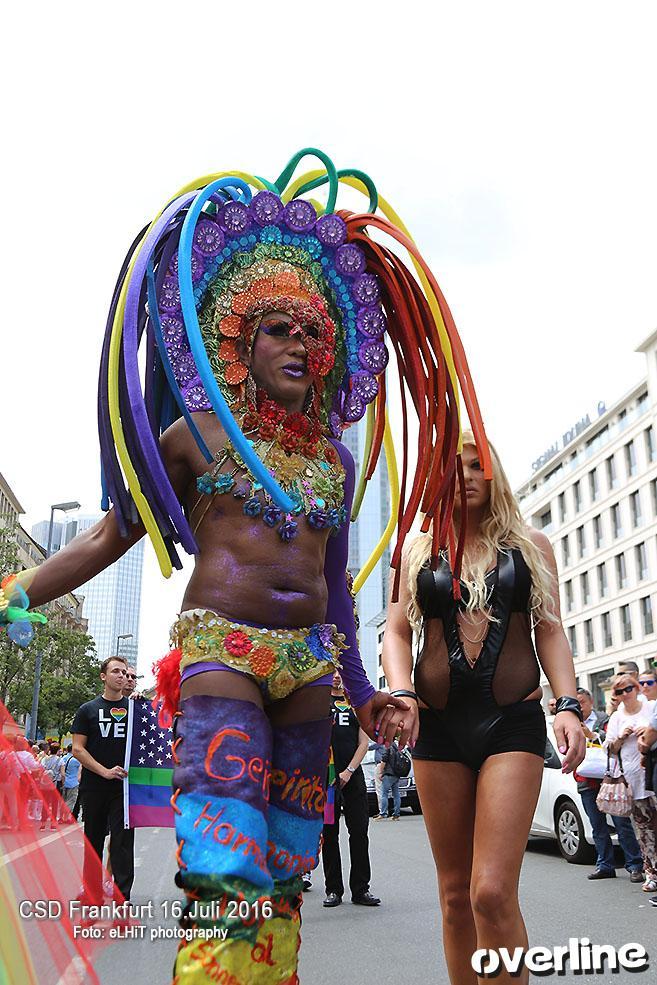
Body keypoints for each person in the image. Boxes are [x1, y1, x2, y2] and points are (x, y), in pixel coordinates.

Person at [0, 150, 489, 983]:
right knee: (225, 860)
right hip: (221, 652)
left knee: (288, 860)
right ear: (240, 340)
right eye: (278, 328)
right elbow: (109, 536)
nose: (299, 344)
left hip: (308, 668)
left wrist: (366, 696)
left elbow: (335, 592)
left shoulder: (336, 461)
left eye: (312, 333)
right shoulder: (197, 436)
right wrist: (13, 592)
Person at [381, 433, 586, 985]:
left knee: (491, 892)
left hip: (512, 723)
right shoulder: (417, 546)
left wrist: (568, 705)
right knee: (453, 895)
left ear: (494, 474)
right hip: (438, 726)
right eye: (456, 465)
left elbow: (550, 630)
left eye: (479, 465)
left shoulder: (531, 545)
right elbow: (397, 633)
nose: (468, 473)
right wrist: (400, 692)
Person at [71, 656, 133, 902]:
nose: (122, 676)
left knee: (122, 845)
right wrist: (104, 771)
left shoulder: (135, 709)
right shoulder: (87, 710)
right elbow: (78, 748)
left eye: (125, 673)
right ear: (103, 676)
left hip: (125, 790)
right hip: (94, 787)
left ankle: (122, 900)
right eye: (116, 671)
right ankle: (92, 895)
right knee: (93, 843)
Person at [322, 671, 380, 907]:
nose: (336, 676)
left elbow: (364, 742)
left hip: (352, 778)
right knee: (330, 834)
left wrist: (349, 771)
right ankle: (333, 889)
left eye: (340, 672)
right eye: (332, 671)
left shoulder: (355, 702)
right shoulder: (319, 701)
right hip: (327, 778)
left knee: (359, 832)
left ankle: (360, 889)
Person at [574, 688, 643, 882]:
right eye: (576, 702)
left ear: (590, 702)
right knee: (597, 826)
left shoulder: (606, 719)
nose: (579, 706)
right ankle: (605, 865)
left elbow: (613, 744)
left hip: (612, 779)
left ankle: (634, 865)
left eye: (582, 702)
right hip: (586, 781)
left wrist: (591, 735)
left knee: (622, 823)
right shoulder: (571, 723)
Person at [605, 673, 657, 893]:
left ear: (636, 688)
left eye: (629, 689)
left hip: (653, 773)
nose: (625, 694)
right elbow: (608, 748)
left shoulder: (651, 707)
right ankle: (652, 873)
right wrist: (621, 738)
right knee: (645, 830)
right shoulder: (617, 717)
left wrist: (647, 733)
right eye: (619, 691)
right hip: (633, 780)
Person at [378, 740, 407, 819]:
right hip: (396, 774)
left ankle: (383, 813)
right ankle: (396, 814)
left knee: (384, 793)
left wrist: (380, 773)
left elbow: (384, 760)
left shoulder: (388, 747)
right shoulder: (397, 747)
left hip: (388, 774)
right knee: (396, 794)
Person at [60, 744, 81, 822]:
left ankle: (61, 817)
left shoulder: (63, 758)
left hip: (64, 782)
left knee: (63, 800)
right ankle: (66, 817)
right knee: (71, 800)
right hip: (73, 782)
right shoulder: (76, 760)